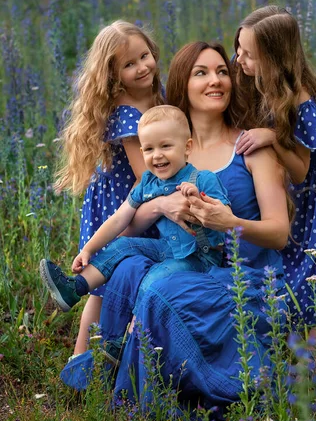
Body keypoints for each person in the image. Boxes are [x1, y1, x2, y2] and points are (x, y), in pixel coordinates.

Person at [60, 41, 292, 410]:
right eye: (201, 73)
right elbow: (130, 225)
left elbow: (279, 234)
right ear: (183, 83)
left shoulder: (250, 147)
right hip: (185, 261)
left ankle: (145, 403)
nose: (216, 80)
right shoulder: (166, 153)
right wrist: (160, 206)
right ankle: (109, 369)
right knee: (128, 266)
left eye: (221, 71)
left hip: (242, 274)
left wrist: (230, 222)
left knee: (158, 286)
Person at [40, 105, 229, 313]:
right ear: (142, 152)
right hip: (168, 249)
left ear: (187, 147)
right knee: (123, 245)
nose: (157, 155)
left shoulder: (203, 179)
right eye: (149, 149)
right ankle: (75, 288)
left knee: (153, 280)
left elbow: (226, 219)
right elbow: (119, 219)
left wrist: (197, 201)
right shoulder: (148, 182)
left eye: (165, 146)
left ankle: (138, 335)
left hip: (200, 257)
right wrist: (88, 250)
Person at [233, 5, 316, 324]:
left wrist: (271, 137)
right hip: (305, 187)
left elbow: (301, 171)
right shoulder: (270, 84)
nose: (238, 59)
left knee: (315, 260)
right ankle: (295, 335)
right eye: (238, 49)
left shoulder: (301, 100)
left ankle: (311, 348)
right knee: (296, 255)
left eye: (248, 54)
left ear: (273, 60)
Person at [54, 20, 164, 357]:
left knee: (112, 287)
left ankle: (101, 357)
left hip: (126, 202)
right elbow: (147, 175)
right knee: (104, 291)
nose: (142, 67)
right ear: (113, 75)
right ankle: (82, 361)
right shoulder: (129, 115)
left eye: (144, 56)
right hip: (122, 207)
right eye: (129, 65)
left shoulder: (153, 99)